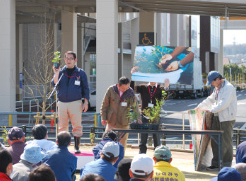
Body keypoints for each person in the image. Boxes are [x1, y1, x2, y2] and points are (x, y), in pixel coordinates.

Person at [195, 71, 237, 170]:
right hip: (217, 116)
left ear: (217, 79)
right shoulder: (218, 88)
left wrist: (210, 110)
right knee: (215, 140)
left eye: (212, 82)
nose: (212, 84)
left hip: (227, 118)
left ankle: (226, 165)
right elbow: (210, 99)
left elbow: (223, 104)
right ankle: (216, 163)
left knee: (226, 141)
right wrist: (199, 107)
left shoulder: (228, 87)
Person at [51, 50, 90, 153]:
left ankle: (76, 146)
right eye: (67, 58)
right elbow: (54, 84)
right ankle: (63, 147)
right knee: (62, 126)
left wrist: (86, 102)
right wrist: (56, 73)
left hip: (75, 102)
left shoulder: (80, 73)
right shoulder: (61, 72)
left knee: (77, 125)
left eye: (71, 58)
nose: (68, 61)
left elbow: (86, 88)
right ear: (64, 60)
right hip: (62, 102)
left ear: (75, 60)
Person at [131, 66, 169, 153]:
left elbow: (165, 97)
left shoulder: (160, 88)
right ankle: (142, 154)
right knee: (143, 137)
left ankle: (157, 154)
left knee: (156, 137)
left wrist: (166, 87)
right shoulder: (143, 87)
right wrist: (133, 77)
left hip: (155, 116)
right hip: (144, 115)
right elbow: (133, 89)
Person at [100, 76, 140, 148]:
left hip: (124, 122)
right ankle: (107, 157)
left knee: (122, 144)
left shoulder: (130, 92)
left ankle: (121, 158)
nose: (125, 90)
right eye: (123, 88)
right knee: (107, 141)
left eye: (127, 88)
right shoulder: (111, 90)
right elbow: (104, 104)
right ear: (118, 85)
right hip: (111, 121)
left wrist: (138, 118)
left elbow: (135, 107)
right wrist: (103, 117)